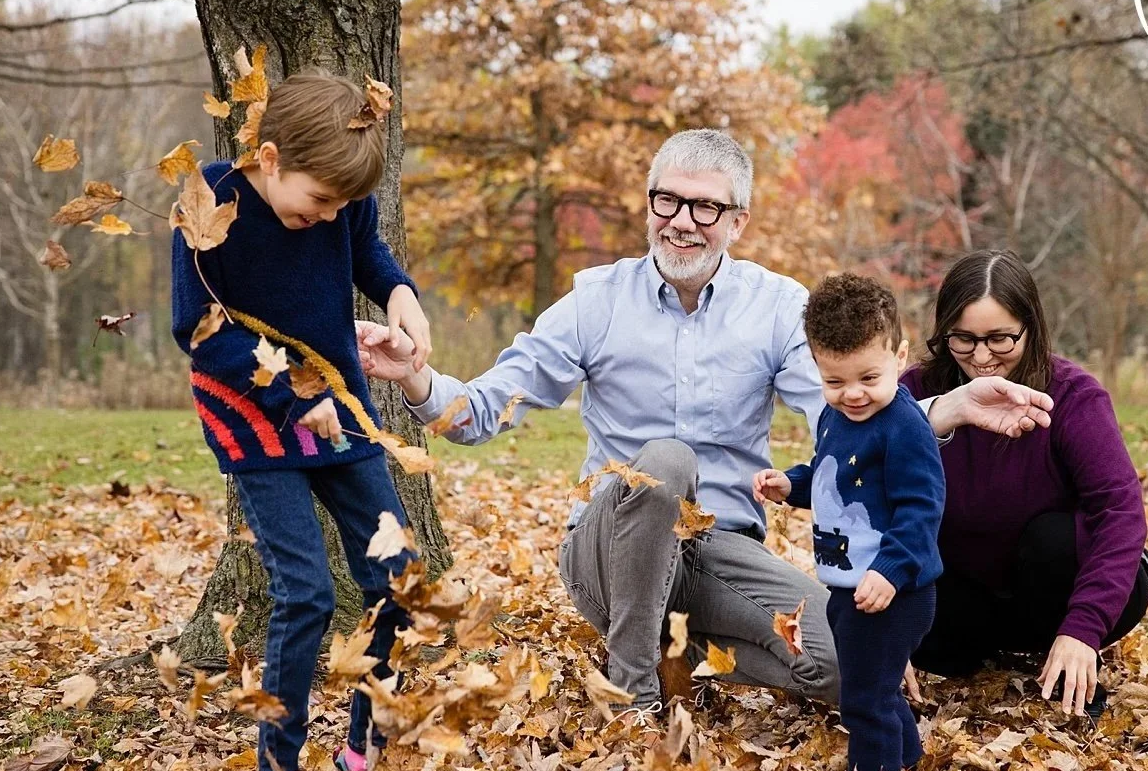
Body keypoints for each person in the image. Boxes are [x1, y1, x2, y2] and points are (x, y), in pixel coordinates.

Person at [357, 128, 1054, 719]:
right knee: (663, 462)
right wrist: (413, 375)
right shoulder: (595, 300)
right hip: (610, 548)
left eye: (706, 206)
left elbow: (848, 415)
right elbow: (483, 409)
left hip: (719, 550)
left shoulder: (779, 308)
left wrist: (946, 408)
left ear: (738, 220)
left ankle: (683, 654)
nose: (682, 220)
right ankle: (633, 691)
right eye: (669, 200)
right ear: (649, 203)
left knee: (850, 665)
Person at [170, 70, 434, 771]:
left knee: (398, 578)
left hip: (339, 414)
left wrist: (402, 295)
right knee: (308, 595)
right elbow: (195, 330)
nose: (329, 217)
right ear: (273, 159)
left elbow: (367, 255)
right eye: (319, 201)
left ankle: (361, 747)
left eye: (343, 206)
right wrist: (289, 392)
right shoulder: (208, 202)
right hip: (255, 423)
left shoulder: (340, 201)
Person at [901, 249, 1148, 720]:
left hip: (1057, 586)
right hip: (967, 590)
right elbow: (862, 488)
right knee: (936, 640)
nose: (981, 357)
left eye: (1000, 338)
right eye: (963, 339)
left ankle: (1068, 650)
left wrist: (1083, 627)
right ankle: (974, 648)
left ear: (1030, 327)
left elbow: (1120, 514)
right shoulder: (914, 392)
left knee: (1052, 540)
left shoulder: (1075, 396)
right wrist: (885, 637)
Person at [753, 275, 944, 771]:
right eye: (834, 382)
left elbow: (922, 509)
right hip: (847, 584)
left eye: (868, 378)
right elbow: (829, 474)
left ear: (899, 358)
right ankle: (906, 760)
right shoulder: (834, 417)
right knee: (876, 685)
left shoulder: (904, 427)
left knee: (863, 695)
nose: (852, 394)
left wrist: (891, 570)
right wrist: (789, 485)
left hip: (894, 590)